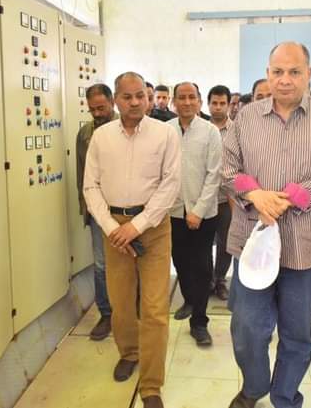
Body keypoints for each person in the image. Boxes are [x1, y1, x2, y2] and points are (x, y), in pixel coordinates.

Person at [223, 42, 311, 408]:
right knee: (247, 328)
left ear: (309, 74)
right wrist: (255, 194)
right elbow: (228, 170)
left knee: (297, 335)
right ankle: (254, 387)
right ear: (267, 74)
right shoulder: (246, 118)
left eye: (294, 72)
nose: (285, 80)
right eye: (278, 72)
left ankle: (284, 397)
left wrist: (290, 197)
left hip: (304, 247)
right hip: (252, 242)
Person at [83, 72, 181, 408]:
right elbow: (90, 186)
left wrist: (136, 226)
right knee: (121, 302)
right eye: (127, 97)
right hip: (114, 228)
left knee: (154, 308)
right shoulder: (102, 137)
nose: (136, 102)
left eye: (141, 95)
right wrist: (112, 227)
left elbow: (170, 185)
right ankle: (128, 353)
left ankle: (151, 385)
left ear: (149, 98)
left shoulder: (165, 134)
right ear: (116, 100)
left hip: (153, 227)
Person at [168, 82, 222, 346]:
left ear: (199, 101)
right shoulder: (166, 130)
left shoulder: (211, 132)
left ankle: (199, 322)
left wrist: (198, 210)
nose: (187, 102)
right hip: (173, 211)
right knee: (180, 260)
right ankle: (189, 299)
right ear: (174, 102)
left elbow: (214, 175)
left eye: (192, 97)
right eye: (182, 97)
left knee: (201, 266)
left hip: (204, 214)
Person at [76, 83, 117, 341]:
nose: (97, 113)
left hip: (126, 210)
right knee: (101, 265)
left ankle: (131, 309)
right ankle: (106, 313)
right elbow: (81, 174)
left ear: (112, 102)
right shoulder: (84, 134)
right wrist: (86, 210)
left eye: (101, 107)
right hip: (97, 211)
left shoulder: (126, 127)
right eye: (92, 109)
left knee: (129, 262)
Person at [208, 84, 234, 300]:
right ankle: (207, 280)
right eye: (214, 103)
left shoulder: (237, 130)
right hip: (204, 199)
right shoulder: (200, 129)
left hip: (227, 198)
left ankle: (220, 280)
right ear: (208, 104)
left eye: (222, 103)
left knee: (226, 243)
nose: (218, 107)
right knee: (204, 243)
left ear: (229, 105)